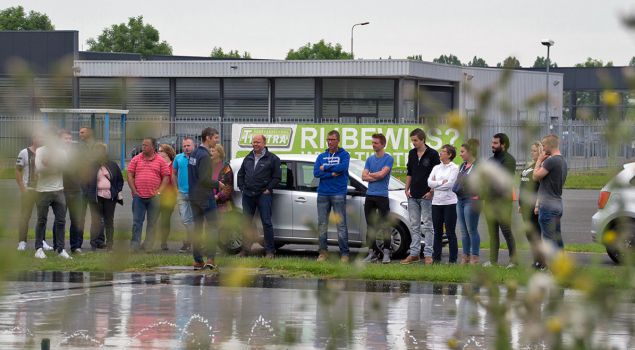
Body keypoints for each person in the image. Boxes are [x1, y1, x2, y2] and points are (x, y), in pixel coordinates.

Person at [237, 134, 281, 258]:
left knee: (266, 222)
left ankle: (270, 251)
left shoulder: (272, 159)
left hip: (263, 195)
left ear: (264, 143)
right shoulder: (248, 158)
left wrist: (269, 189)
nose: (255, 144)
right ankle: (245, 250)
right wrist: (242, 188)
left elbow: (277, 177)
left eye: (258, 142)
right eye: (254, 142)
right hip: (248, 195)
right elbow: (241, 175)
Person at [401, 128, 440, 265]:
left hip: (426, 196)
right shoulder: (411, 153)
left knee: (428, 226)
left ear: (423, 139)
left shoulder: (433, 154)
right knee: (414, 226)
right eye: (412, 140)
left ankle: (428, 254)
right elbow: (409, 172)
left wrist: (431, 191)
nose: (413, 143)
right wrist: (406, 189)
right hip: (413, 195)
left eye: (415, 140)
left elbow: (436, 175)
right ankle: (414, 254)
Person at [33, 129, 72, 259]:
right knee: (41, 220)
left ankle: (60, 249)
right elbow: (40, 168)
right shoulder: (40, 151)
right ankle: (38, 248)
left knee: (61, 221)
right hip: (42, 191)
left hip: (59, 190)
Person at [313, 130, 351, 263]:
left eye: (332, 139)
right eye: (328, 139)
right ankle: (323, 253)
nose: (330, 142)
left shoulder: (344, 154)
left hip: (338, 193)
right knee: (322, 224)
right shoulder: (321, 156)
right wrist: (331, 173)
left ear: (338, 140)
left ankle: (344, 254)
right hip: (323, 193)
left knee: (341, 224)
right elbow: (317, 172)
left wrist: (326, 168)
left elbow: (343, 167)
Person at [127, 137, 170, 252]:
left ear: (152, 147)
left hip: (154, 198)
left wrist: (159, 191)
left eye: (146, 145)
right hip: (138, 197)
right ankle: (134, 245)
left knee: (152, 223)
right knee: (137, 222)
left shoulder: (160, 161)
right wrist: (134, 190)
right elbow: (130, 174)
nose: (143, 147)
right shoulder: (136, 159)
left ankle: (148, 245)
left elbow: (166, 176)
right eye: (143, 145)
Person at [188, 127, 222, 269]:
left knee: (197, 229)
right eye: (215, 138)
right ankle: (210, 259)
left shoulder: (194, 153)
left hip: (194, 197)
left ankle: (197, 260)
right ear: (207, 138)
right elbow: (204, 179)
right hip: (206, 197)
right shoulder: (205, 156)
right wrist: (218, 183)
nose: (217, 140)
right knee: (213, 228)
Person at [484, 133, 517, 267]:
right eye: (492, 142)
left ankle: (514, 261)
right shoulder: (491, 160)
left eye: (496, 143)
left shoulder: (509, 160)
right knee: (493, 233)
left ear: (503, 145)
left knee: (506, 231)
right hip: (489, 201)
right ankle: (493, 261)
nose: (492, 145)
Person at [16, 133, 53, 251]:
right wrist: (22, 188)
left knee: (42, 217)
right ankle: (22, 242)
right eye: (39, 137)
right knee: (25, 217)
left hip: (43, 190)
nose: (41, 138)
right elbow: (18, 171)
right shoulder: (24, 152)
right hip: (29, 190)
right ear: (34, 139)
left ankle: (42, 241)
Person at [361, 133, 394, 264]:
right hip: (370, 195)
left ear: (383, 144)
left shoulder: (388, 159)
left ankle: (386, 253)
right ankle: (372, 253)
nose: (373, 145)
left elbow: (382, 175)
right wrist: (375, 175)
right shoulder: (369, 159)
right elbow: (363, 177)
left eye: (376, 143)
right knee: (370, 226)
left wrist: (371, 175)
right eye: (372, 142)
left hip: (382, 196)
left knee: (385, 225)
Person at [533, 134, 568, 254]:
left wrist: (539, 160)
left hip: (548, 205)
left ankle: (554, 269)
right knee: (557, 238)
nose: (542, 148)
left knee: (549, 240)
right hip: (558, 203)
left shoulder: (551, 161)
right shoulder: (563, 161)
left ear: (550, 145)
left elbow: (535, 176)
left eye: (543, 145)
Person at [85, 143, 124, 250]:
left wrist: (116, 191)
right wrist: (89, 193)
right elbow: (85, 182)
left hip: (110, 197)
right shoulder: (91, 166)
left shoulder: (112, 165)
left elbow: (119, 180)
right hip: (95, 197)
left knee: (109, 221)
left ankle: (110, 245)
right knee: (95, 221)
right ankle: (93, 245)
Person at [428, 145, 459, 264]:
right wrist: (441, 182)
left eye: (443, 151)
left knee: (450, 232)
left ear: (449, 155)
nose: (440, 153)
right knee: (437, 231)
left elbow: (450, 184)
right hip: (436, 203)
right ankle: (436, 259)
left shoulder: (454, 168)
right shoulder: (436, 167)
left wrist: (437, 185)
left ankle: (453, 260)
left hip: (449, 203)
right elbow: (429, 182)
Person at [452, 139, 482, 265]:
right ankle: (465, 257)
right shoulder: (462, 166)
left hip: (472, 200)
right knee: (463, 231)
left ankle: (475, 257)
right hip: (460, 199)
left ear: (470, 152)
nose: (460, 154)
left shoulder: (478, 166)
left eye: (462, 152)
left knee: (472, 229)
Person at [60, 130, 88, 253]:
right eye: (66, 138)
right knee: (60, 220)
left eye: (70, 138)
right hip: (61, 190)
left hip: (77, 190)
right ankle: (58, 246)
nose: (68, 141)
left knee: (76, 219)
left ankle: (75, 246)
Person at [519, 141, 544, 268]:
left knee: (535, 234)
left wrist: (537, 205)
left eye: (534, 150)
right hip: (524, 205)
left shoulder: (540, 166)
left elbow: (540, 187)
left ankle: (540, 261)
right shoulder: (530, 165)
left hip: (533, 204)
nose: (531, 152)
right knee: (529, 234)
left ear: (540, 151)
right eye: (531, 150)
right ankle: (536, 259)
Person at [173, 137, 195, 253]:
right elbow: (174, 174)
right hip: (181, 193)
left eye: (188, 145)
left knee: (195, 219)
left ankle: (189, 242)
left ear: (193, 146)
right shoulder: (178, 158)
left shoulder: (198, 158)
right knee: (185, 220)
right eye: (184, 146)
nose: (186, 148)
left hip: (194, 194)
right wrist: (176, 188)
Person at [158, 144, 177, 251]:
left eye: (161, 150)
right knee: (153, 218)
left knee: (165, 219)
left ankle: (163, 242)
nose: (158, 152)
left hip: (169, 196)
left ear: (167, 152)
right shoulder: (157, 164)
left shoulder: (173, 165)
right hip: (157, 195)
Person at [211, 144, 234, 212]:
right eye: (209, 150)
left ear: (219, 153)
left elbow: (228, 187)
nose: (210, 152)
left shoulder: (226, 167)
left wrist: (217, 197)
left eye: (213, 151)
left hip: (222, 205)